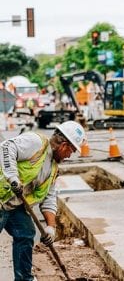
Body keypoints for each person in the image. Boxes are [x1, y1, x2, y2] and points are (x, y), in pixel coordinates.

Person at [0, 120, 86, 281]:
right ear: (64, 145)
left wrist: (51, 227)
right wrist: (12, 177)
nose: (69, 156)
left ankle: (25, 279)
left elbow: (49, 197)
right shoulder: (36, 143)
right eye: (71, 151)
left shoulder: (53, 169)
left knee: (26, 233)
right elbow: (6, 147)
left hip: (13, 205)